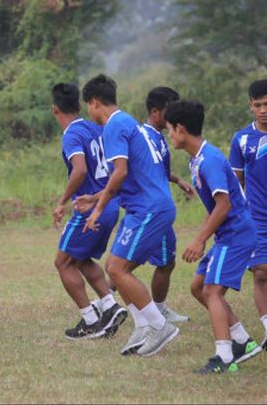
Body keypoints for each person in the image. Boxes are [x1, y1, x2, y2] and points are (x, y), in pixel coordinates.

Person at [75, 74, 179, 357]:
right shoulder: (128, 122)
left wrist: (97, 210)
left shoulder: (112, 127)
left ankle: (158, 325)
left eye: (89, 107)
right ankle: (142, 325)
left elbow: (119, 173)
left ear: (95, 103)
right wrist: (95, 197)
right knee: (116, 267)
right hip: (148, 206)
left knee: (117, 270)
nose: (90, 113)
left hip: (148, 209)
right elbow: (132, 173)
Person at [165, 100, 261, 373]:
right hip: (227, 235)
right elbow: (217, 207)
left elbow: (224, 204)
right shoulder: (197, 158)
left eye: (170, 129)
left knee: (212, 291)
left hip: (236, 236)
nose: (169, 135)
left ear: (181, 129)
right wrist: (204, 235)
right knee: (198, 288)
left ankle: (225, 358)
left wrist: (199, 240)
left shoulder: (210, 161)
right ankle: (242, 340)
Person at [50, 83, 126, 340]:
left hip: (91, 206)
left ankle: (90, 319)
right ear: (79, 106)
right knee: (81, 260)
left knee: (62, 263)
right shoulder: (96, 127)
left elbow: (80, 169)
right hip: (110, 203)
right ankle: (110, 305)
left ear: (54, 109)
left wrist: (62, 201)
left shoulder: (72, 134)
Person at [142, 87, 193, 324]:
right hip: (151, 209)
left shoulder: (159, 138)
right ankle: (107, 303)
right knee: (133, 261)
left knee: (133, 260)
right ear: (155, 112)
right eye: (169, 111)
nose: (174, 117)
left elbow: (158, 170)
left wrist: (177, 180)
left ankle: (106, 302)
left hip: (159, 209)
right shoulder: (142, 136)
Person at [229, 79, 267, 351]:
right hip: (257, 219)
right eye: (258, 105)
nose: (264, 110)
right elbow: (236, 182)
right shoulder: (241, 139)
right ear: (250, 107)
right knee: (261, 273)